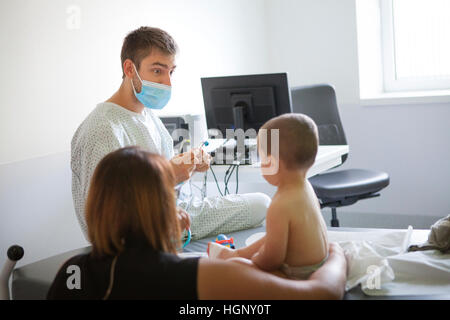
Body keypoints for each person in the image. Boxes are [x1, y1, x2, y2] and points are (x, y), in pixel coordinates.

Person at [48, 146, 347, 299]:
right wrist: (337, 254)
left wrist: (169, 243)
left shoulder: (71, 272)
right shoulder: (202, 275)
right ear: (161, 206)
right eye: (170, 194)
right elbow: (321, 294)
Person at [71, 26, 270, 241]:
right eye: (157, 71)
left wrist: (186, 166)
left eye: (171, 71)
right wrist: (169, 175)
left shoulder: (147, 115)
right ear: (129, 69)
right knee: (261, 205)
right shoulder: (103, 128)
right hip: (143, 231)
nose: (168, 82)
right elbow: (103, 217)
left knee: (261, 203)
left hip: (176, 211)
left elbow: (156, 176)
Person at [211, 114, 329, 280]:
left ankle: (232, 258)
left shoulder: (280, 204)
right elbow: (279, 236)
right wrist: (243, 253)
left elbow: (272, 260)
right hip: (320, 263)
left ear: (274, 163)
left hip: (298, 274)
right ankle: (236, 253)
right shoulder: (305, 187)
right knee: (263, 242)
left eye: (261, 158)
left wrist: (253, 260)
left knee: (238, 268)